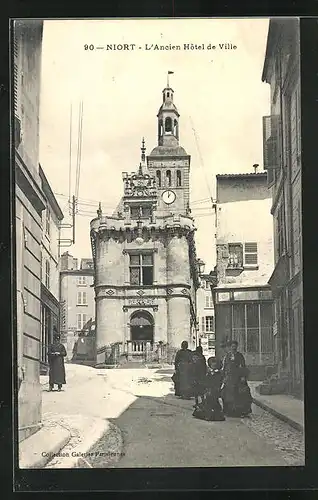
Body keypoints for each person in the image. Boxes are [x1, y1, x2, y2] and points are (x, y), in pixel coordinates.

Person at [220, 340, 252, 417]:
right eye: (232, 346)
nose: (233, 348)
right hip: (229, 378)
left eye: (235, 346)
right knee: (227, 395)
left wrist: (243, 376)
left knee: (238, 395)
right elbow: (225, 367)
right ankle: (229, 411)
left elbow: (243, 367)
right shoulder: (227, 356)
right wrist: (224, 377)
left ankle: (239, 411)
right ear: (230, 347)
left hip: (238, 378)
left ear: (237, 347)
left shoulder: (239, 356)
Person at [192, 357, 225, 422]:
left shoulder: (218, 374)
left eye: (215, 366)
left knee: (212, 400)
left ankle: (211, 415)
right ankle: (207, 414)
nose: (213, 367)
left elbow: (218, 384)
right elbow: (205, 382)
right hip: (208, 390)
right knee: (206, 400)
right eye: (212, 365)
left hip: (215, 390)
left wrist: (214, 389)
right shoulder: (208, 373)